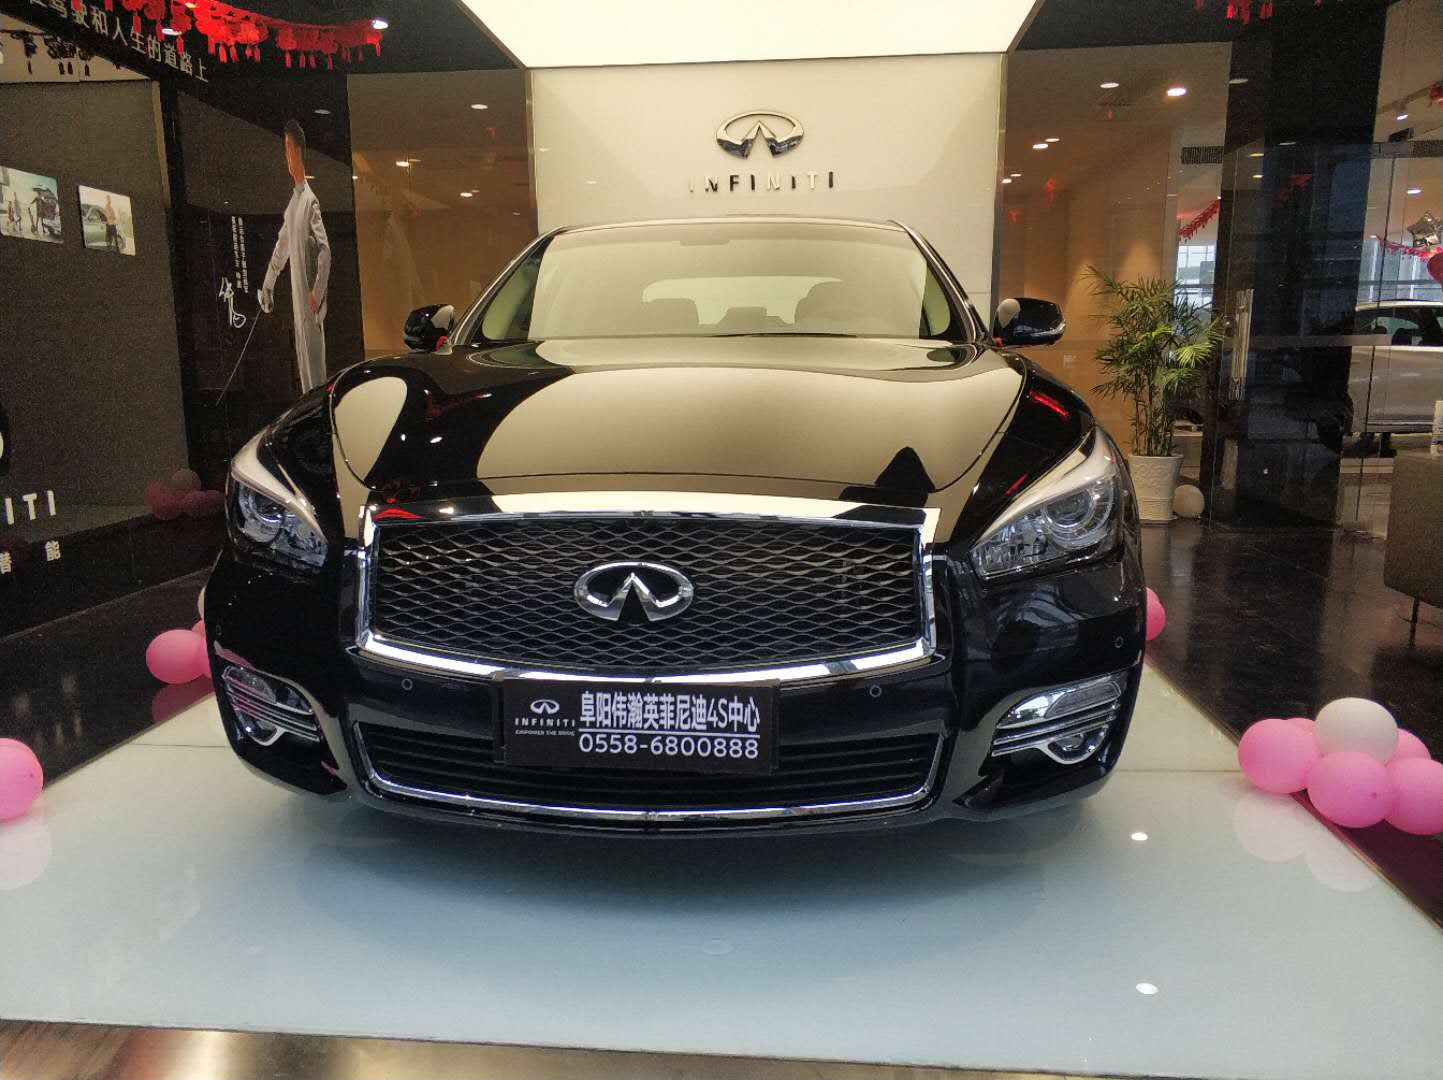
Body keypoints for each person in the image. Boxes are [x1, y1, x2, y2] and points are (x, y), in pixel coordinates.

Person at [258, 119, 331, 394]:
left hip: (309, 304)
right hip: (299, 304)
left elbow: (325, 250)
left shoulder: (310, 201)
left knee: (315, 372)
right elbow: (281, 248)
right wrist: (268, 284)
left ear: (297, 151)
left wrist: (317, 293)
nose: (286, 154)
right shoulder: (293, 206)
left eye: (288, 146)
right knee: (305, 370)